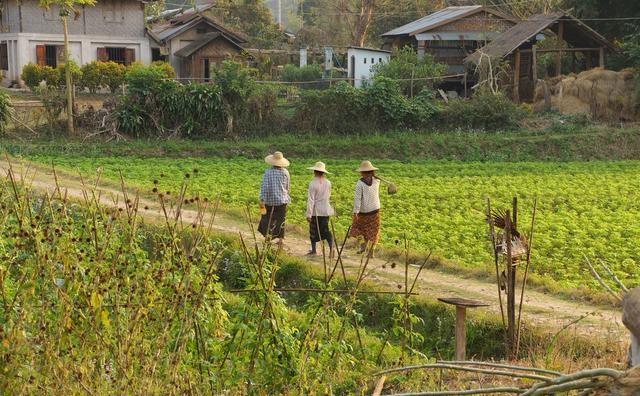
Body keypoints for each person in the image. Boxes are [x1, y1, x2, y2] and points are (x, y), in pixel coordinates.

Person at [258, 151, 290, 246]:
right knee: (281, 220)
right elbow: (288, 187)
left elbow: (265, 187)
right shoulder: (286, 172)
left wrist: (262, 199)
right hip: (282, 201)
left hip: (270, 201)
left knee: (267, 219)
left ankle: (268, 238)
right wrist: (287, 197)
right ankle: (280, 240)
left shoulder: (268, 172)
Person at [349, 160, 381, 255]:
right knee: (374, 231)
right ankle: (369, 250)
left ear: (362, 172)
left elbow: (357, 199)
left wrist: (356, 212)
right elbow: (374, 181)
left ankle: (365, 246)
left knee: (362, 230)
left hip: (364, 211)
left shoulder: (360, 183)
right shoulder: (377, 181)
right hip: (375, 210)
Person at [306, 162, 334, 256]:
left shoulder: (313, 184)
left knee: (313, 230)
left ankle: (314, 250)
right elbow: (328, 196)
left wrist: (309, 214)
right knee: (326, 230)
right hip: (326, 210)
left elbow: (311, 200)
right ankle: (331, 249)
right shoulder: (328, 183)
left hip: (316, 211)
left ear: (315, 171)